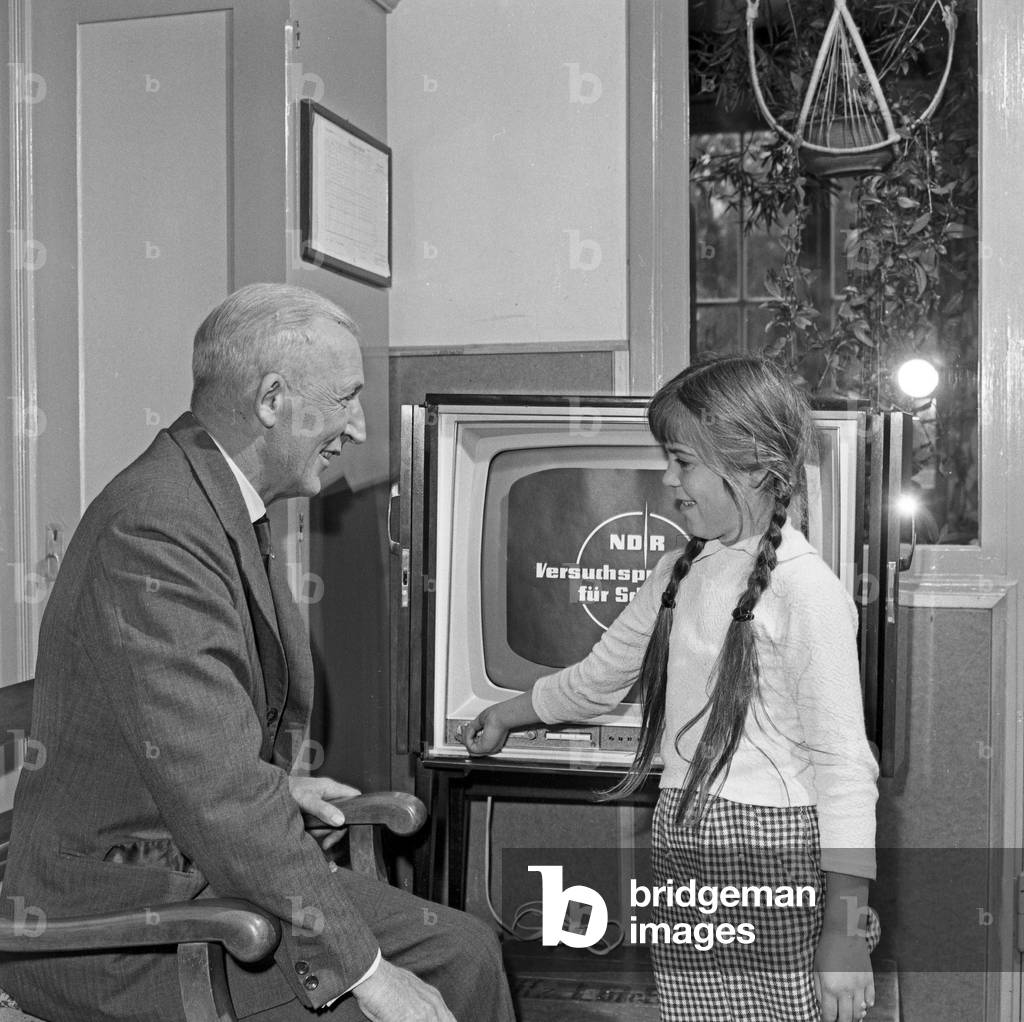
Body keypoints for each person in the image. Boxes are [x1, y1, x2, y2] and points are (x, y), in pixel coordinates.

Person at [0, 283, 515, 1022]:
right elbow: (217, 793)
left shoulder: (204, 501)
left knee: (461, 948)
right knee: (446, 961)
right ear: (273, 399)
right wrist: (367, 974)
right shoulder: (156, 528)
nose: (359, 427)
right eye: (344, 399)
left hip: (189, 874)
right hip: (111, 931)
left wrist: (277, 789)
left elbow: (197, 756)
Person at [464, 356, 879, 1022]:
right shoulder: (677, 572)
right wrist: (510, 713)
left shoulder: (807, 592)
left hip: (769, 851)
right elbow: (599, 680)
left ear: (750, 466)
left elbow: (845, 770)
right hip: (683, 830)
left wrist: (845, 929)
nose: (667, 478)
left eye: (682, 461)